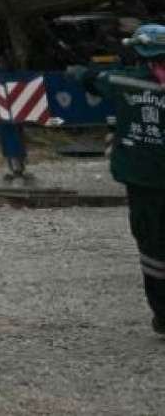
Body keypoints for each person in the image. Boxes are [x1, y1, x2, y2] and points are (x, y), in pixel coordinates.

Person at [68, 22, 165, 339]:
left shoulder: (123, 80)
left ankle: (163, 314)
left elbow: (93, 80)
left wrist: (77, 71)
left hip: (142, 179)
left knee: (152, 247)